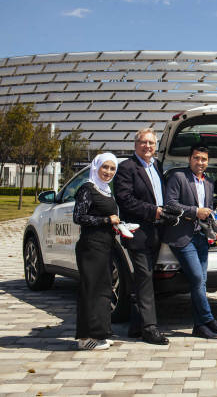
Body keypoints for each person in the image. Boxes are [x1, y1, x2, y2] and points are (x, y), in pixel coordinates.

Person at [163, 144, 217, 339]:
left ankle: (199, 326)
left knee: (201, 282)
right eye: (197, 158)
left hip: (201, 236)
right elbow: (170, 203)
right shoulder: (178, 177)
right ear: (189, 159)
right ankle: (208, 320)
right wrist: (194, 211)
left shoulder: (209, 182)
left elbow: (208, 209)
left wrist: (216, 230)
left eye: (204, 159)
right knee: (198, 278)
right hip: (182, 237)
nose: (200, 162)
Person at [113, 128, 169, 345]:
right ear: (135, 145)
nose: (148, 147)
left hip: (156, 232)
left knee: (143, 279)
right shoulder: (127, 167)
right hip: (137, 232)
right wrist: (153, 211)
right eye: (144, 142)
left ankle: (136, 325)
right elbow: (125, 199)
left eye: (151, 143)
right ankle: (150, 328)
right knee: (145, 279)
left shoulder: (157, 166)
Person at [72, 153, 120, 350]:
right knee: (90, 291)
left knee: (103, 290)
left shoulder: (106, 190)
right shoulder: (87, 189)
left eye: (112, 168)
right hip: (91, 246)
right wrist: (106, 221)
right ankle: (85, 338)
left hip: (105, 246)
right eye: (105, 167)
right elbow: (79, 217)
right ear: (97, 167)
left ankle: (100, 333)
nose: (108, 172)